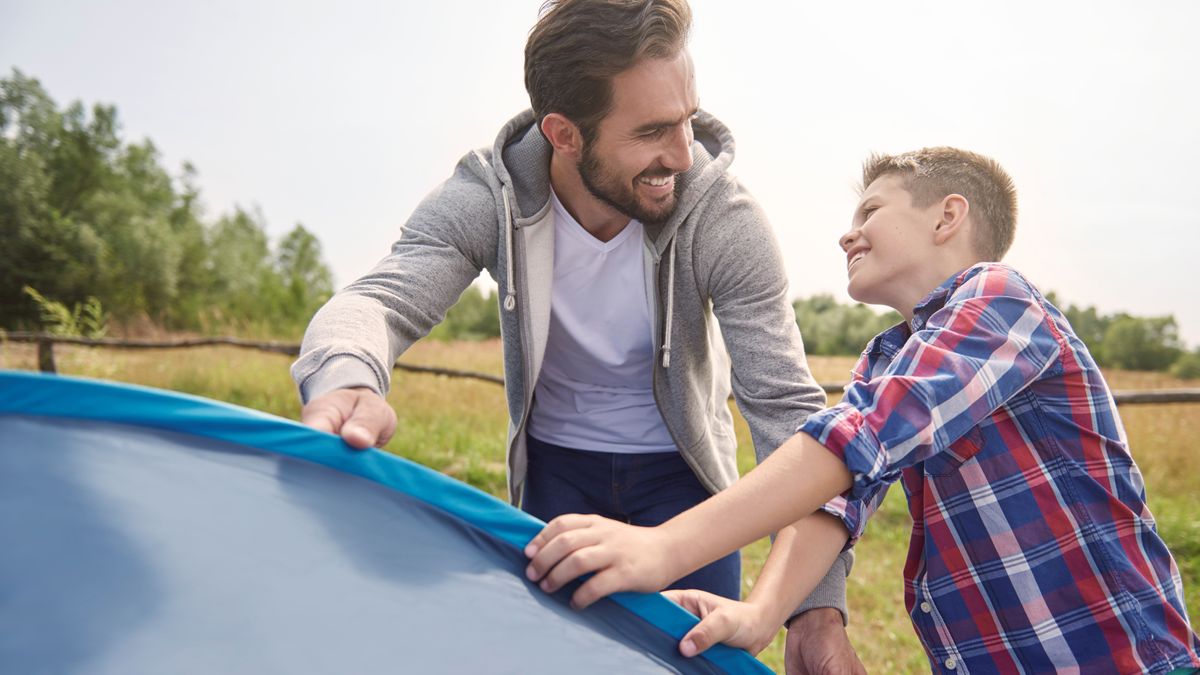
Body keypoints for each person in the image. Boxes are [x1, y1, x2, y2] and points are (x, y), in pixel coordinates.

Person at [290, 0, 862, 670]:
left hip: (687, 485)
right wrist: (348, 373)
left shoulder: (724, 216)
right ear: (564, 134)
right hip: (556, 478)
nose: (684, 154)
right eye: (653, 131)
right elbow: (378, 299)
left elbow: (790, 415)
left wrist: (816, 608)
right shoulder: (489, 196)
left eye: (687, 118)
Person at [524, 147, 1200, 674]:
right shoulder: (886, 358)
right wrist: (763, 612)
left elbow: (857, 438)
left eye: (869, 212)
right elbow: (840, 495)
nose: (848, 236)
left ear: (947, 216)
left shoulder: (1001, 300)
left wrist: (664, 545)